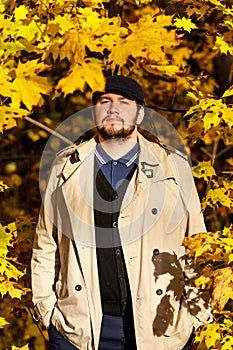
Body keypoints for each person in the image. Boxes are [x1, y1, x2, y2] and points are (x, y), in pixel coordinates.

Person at [31, 75, 212, 350]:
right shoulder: (65, 168)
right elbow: (45, 246)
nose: (113, 109)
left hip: (161, 329)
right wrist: (47, 311)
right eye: (105, 102)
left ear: (139, 113)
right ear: (94, 112)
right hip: (79, 330)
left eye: (124, 102)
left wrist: (197, 315)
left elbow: (198, 244)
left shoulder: (174, 167)